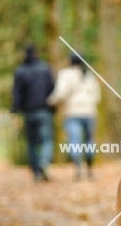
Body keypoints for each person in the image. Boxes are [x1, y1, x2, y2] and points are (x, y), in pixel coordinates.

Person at [47, 52, 101, 180]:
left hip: (72, 112)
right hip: (90, 112)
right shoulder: (89, 75)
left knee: (75, 141)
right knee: (89, 141)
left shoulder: (66, 74)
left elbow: (60, 93)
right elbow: (97, 97)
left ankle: (78, 169)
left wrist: (49, 101)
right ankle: (90, 169)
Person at [12, 44, 55, 182]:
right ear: (36, 53)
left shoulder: (20, 71)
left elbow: (17, 94)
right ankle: (44, 162)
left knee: (31, 143)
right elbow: (52, 89)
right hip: (44, 110)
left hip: (29, 112)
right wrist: (53, 108)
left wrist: (15, 110)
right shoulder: (45, 69)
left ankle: (36, 172)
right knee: (47, 139)